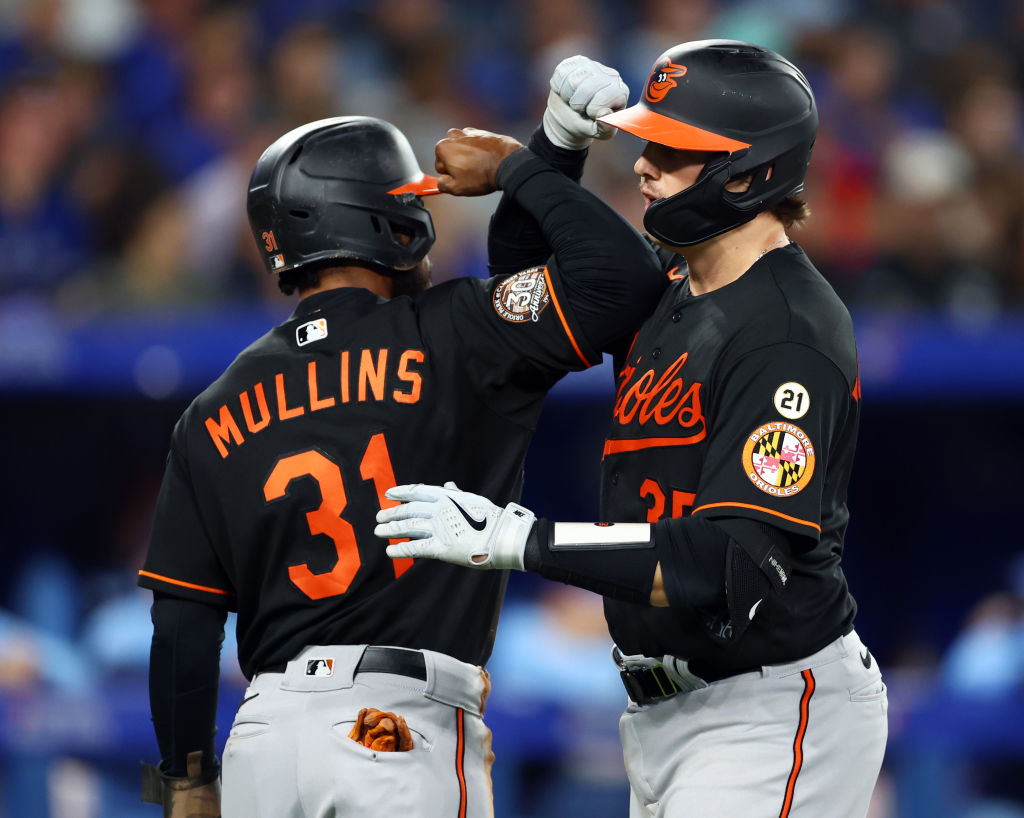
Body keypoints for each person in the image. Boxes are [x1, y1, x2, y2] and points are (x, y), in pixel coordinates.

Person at [136, 63, 668, 818]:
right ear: (388, 223)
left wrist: (187, 781)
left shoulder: (213, 406)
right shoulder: (453, 331)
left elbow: (183, 627)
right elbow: (622, 280)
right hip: (394, 728)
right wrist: (522, 166)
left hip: (262, 739)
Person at [377, 41, 889, 818]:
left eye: (673, 150)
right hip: (670, 713)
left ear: (749, 173)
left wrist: (522, 542)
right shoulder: (675, 284)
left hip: (771, 704)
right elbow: (524, 282)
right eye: (647, 141)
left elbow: (729, 564)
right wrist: (555, 146)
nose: (645, 164)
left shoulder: (788, 332)